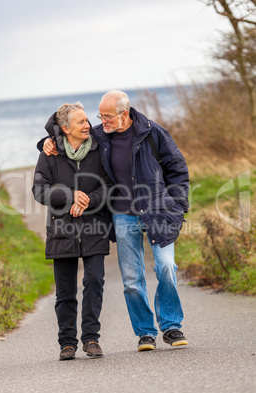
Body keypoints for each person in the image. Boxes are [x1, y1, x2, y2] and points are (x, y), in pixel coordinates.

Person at [40, 90, 189, 352]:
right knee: (132, 278)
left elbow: (177, 169)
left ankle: (171, 325)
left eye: (106, 116)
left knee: (166, 267)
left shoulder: (154, 133)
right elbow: (67, 134)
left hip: (158, 211)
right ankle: (145, 332)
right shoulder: (100, 135)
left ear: (124, 113)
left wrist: (178, 205)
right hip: (122, 214)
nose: (101, 122)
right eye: (100, 116)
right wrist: (46, 140)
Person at [32, 102, 113, 360]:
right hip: (61, 230)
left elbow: (110, 186)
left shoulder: (99, 150)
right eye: (81, 122)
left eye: (87, 120)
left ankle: (91, 339)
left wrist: (90, 199)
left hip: (94, 226)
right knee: (65, 292)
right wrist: (68, 196)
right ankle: (67, 343)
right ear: (65, 128)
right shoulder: (50, 153)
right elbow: (39, 190)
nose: (87, 125)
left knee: (94, 282)